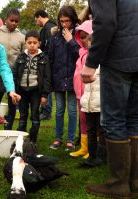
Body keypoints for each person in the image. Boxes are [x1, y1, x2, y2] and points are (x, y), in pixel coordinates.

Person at [81, 1, 138, 198]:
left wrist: (91, 62)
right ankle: (134, 182)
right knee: (134, 119)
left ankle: (118, 185)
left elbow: (105, 23)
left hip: (118, 57)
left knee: (114, 120)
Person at [48, 5, 79, 151]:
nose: (64, 24)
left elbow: (80, 56)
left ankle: (70, 139)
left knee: (72, 110)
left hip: (73, 78)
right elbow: (51, 60)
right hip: (58, 78)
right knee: (59, 109)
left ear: (72, 20)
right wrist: (50, 80)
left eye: (67, 21)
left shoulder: (79, 35)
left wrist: (71, 41)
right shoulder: (55, 38)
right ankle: (58, 137)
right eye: (62, 21)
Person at [0, 8, 25, 130]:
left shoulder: (21, 37)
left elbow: (23, 56)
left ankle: (7, 130)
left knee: (12, 105)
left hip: (14, 76)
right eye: (11, 20)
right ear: (6, 20)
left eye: (16, 21)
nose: (14, 23)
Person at [12, 30, 51, 145]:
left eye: (35, 42)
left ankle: (33, 140)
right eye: (29, 42)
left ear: (39, 43)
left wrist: (44, 95)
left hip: (36, 91)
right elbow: (15, 73)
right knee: (23, 116)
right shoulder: (21, 57)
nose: (32, 45)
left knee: (35, 115)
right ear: (25, 43)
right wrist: (14, 90)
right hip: (22, 91)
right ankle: (21, 140)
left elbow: (47, 78)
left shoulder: (43, 57)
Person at [69, 20, 93, 159]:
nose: (83, 40)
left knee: (92, 122)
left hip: (90, 94)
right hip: (80, 94)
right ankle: (84, 147)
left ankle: (92, 147)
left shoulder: (93, 55)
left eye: (86, 37)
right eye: (81, 37)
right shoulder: (81, 52)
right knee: (83, 120)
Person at [34, 10, 56, 121]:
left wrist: (46, 60)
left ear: (39, 17)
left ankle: (47, 111)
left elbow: (50, 47)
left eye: (36, 19)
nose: (36, 22)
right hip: (47, 61)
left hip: (48, 61)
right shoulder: (48, 27)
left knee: (47, 85)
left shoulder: (49, 28)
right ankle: (44, 110)